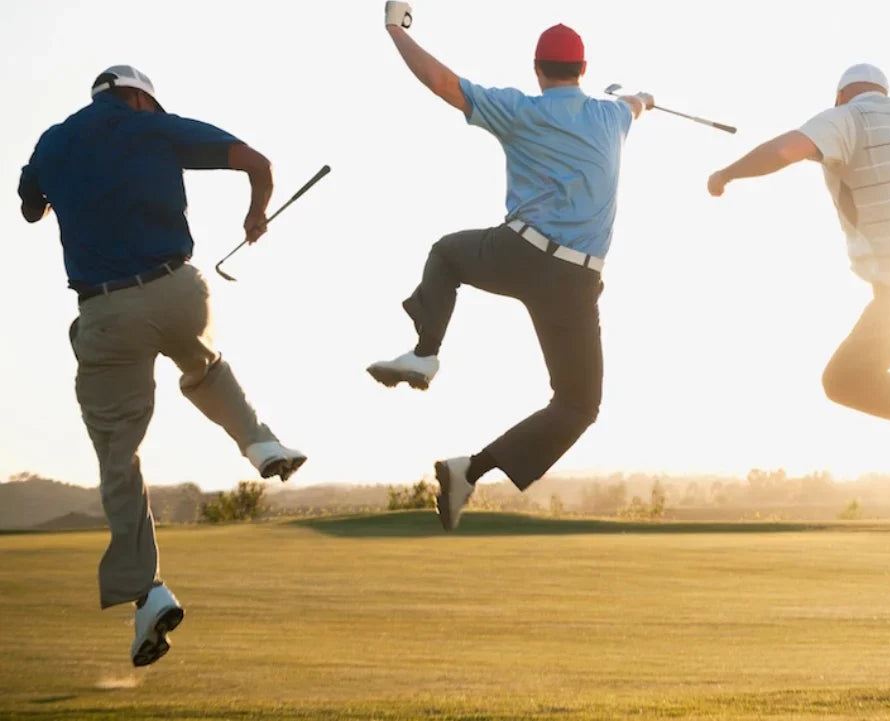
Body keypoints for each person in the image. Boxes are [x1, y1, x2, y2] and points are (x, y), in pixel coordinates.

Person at [17, 65, 307, 667]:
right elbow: (258, 163)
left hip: (107, 309)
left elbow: (28, 206)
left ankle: (148, 595)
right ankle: (260, 442)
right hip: (179, 289)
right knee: (204, 366)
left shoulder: (52, 140)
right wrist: (256, 217)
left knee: (118, 458)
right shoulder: (157, 128)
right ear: (140, 97)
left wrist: (56, 195)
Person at [367, 3, 654, 530]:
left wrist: (394, 30)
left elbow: (439, 80)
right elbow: (635, 104)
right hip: (578, 281)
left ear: (538, 69)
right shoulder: (613, 118)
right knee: (579, 406)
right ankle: (474, 468)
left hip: (525, 255)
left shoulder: (521, 109)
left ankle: (434, 375)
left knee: (447, 253)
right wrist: (642, 98)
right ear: (583, 70)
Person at [707, 63, 890, 429]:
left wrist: (726, 174)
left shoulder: (844, 118)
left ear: (840, 95)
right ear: (885, 94)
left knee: (843, 381)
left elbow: (784, 150)